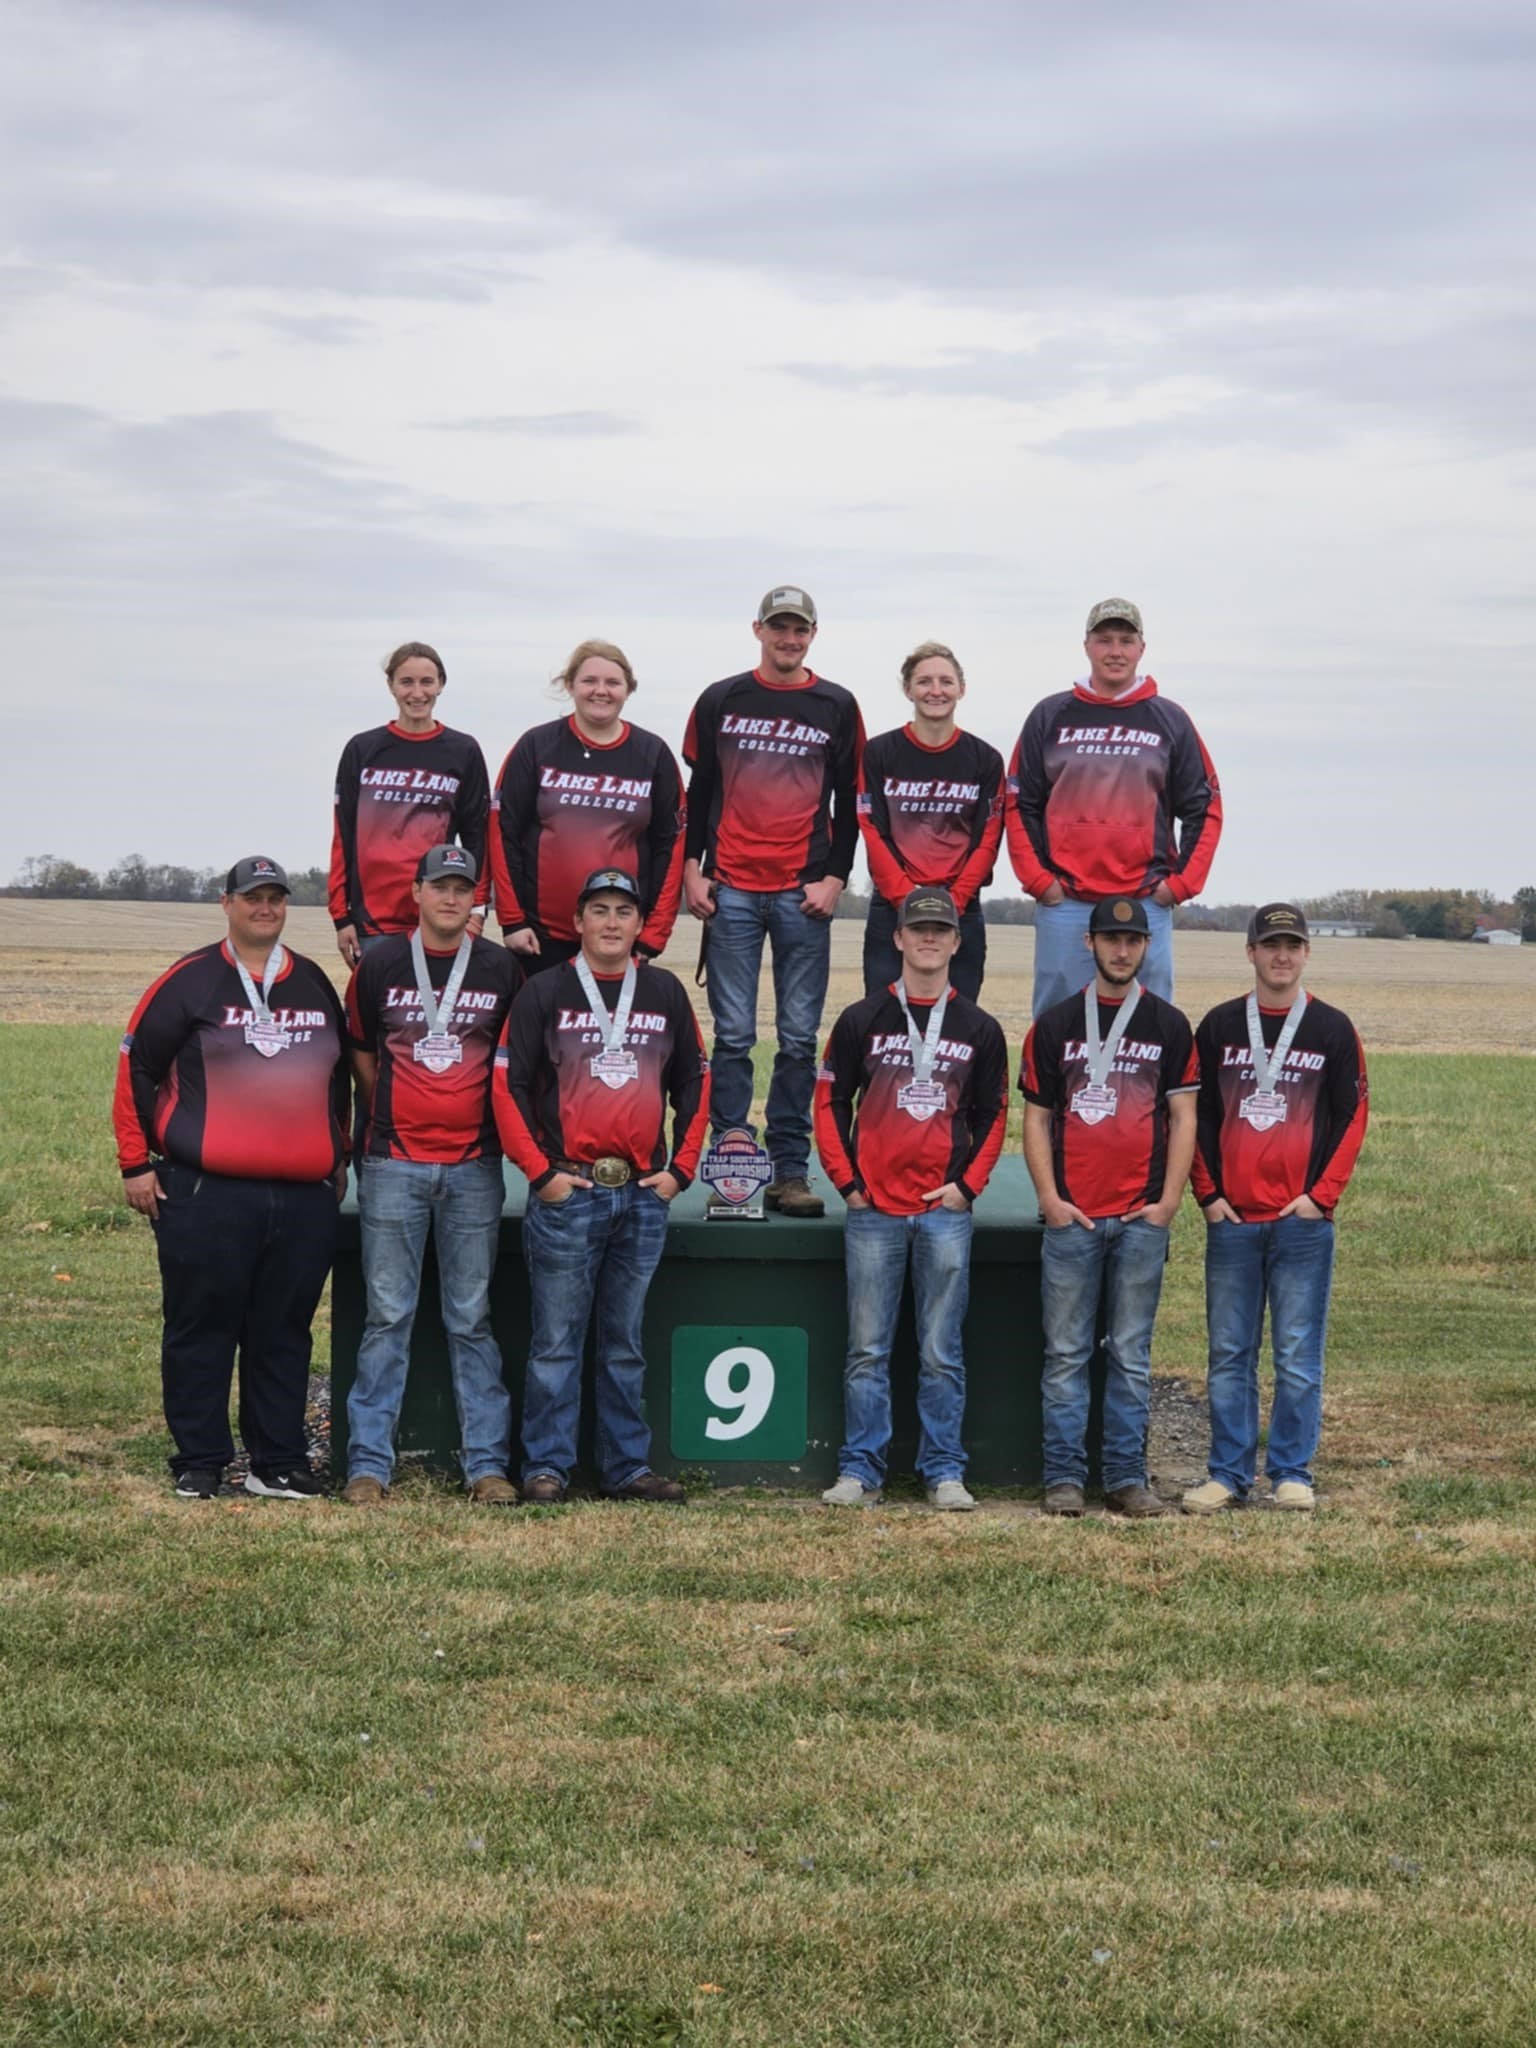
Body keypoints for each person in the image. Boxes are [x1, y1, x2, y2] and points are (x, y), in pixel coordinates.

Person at [113, 857, 349, 1499]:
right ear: (226, 904)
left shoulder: (313, 983)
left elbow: (339, 1082)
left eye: (275, 898)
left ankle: (278, 1462)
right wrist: (135, 1163)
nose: (265, 908)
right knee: (202, 1324)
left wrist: (339, 1156)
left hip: (301, 1198)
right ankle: (201, 1457)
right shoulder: (189, 980)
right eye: (253, 898)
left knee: (284, 1329)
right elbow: (135, 1069)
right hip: (205, 1189)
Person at [495, 868, 711, 1503]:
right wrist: (541, 1175)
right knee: (555, 1343)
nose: (612, 922)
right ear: (578, 922)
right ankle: (546, 1469)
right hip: (571, 1193)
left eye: (623, 910)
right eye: (599, 910)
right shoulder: (544, 992)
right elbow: (507, 1087)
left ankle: (625, 1468)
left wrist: (680, 1172)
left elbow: (697, 1084)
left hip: (643, 1195)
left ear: (641, 924)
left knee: (624, 1343)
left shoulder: (666, 992)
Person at [813, 886, 1009, 1510]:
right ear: (897, 938)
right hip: (874, 1212)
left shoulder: (980, 1027)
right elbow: (826, 1103)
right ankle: (860, 1470)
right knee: (866, 1350)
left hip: (942, 1212)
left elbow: (995, 1114)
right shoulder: (860, 1019)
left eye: (940, 930)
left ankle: (944, 1470)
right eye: (917, 928)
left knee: (939, 1352)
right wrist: (848, 1185)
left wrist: (967, 1188)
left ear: (957, 941)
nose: (928, 938)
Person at [341, 844, 524, 1506]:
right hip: (393, 1165)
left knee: (470, 1317)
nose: (452, 898)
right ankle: (368, 1467)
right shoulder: (382, 962)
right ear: (415, 892)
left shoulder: (502, 967)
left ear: (476, 897)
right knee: (387, 1315)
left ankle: (486, 1468)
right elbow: (361, 1049)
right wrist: (388, 1115)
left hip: (475, 1166)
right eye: (439, 887)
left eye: (463, 888)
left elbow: (513, 1059)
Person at [682, 586, 864, 1217]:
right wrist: (691, 870)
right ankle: (733, 1166)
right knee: (732, 1038)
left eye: (800, 630)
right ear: (757, 628)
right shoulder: (721, 698)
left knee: (796, 1040)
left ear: (814, 634)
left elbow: (851, 803)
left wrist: (835, 878)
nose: (789, 639)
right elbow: (700, 789)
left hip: (801, 895)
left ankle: (790, 1171)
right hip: (730, 890)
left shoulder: (836, 704)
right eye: (779, 628)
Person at [1183, 904, 1368, 1515]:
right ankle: (1228, 1473)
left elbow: (1353, 1116)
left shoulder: (1333, 1029)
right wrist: (1207, 1194)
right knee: (1230, 1353)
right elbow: (1197, 1118)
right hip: (1233, 1221)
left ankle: (1292, 1471)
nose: (1281, 955)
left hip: (1301, 1224)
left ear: (1307, 952)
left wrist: (1321, 1198)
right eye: (1270, 945)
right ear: (1251, 952)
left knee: (1297, 1355)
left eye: (1292, 944)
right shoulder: (1218, 1027)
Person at [1020, 896, 1199, 1518]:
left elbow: (1184, 1118)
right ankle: (1064, 1478)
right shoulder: (1055, 1024)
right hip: (1074, 1218)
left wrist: (1168, 1201)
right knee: (1066, 1353)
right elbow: (1037, 1119)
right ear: (1089, 943)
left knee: (1129, 1354)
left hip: (1139, 1219)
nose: (1121, 950)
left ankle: (1125, 1478)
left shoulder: (1170, 1026)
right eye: (1110, 938)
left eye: (1133, 940)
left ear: (1146, 948)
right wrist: (1050, 1198)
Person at [1005, 599, 1222, 1016]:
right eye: (1105, 640)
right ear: (1087, 645)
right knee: (1057, 1023)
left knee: (1151, 1023)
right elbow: (1019, 803)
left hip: (1146, 903)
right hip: (1065, 902)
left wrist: (1179, 886)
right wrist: (1038, 880)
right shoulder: (1050, 716)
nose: (1115, 651)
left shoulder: (1170, 720)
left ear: (1142, 648)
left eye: (1126, 640)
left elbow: (1205, 807)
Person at [489, 639, 685, 976]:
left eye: (613, 683)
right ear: (570, 685)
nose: (601, 691)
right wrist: (512, 921)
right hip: (540, 938)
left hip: (618, 940)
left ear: (628, 689)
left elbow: (672, 846)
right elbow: (502, 833)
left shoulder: (653, 755)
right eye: (589, 681)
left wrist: (654, 932)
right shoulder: (536, 746)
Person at [329, 641, 491, 970]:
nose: (417, 693)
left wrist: (477, 909)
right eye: (406, 682)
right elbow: (343, 835)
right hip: (374, 922)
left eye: (426, 682)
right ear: (391, 686)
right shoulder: (363, 749)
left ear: (441, 684)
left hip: (440, 919)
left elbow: (478, 839)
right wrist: (340, 917)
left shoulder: (463, 751)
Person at [857, 641, 1004, 1002]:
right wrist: (907, 899)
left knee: (960, 1018)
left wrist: (954, 900)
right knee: (883, 1016)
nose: (935, 691)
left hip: (961, 906)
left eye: (946, 681)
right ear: (907, 689)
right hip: (892, 907)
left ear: (961, 689)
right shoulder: (879, 753)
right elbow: (872, 830)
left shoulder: (985, 759)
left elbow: (989, 837)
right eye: (924, 682)